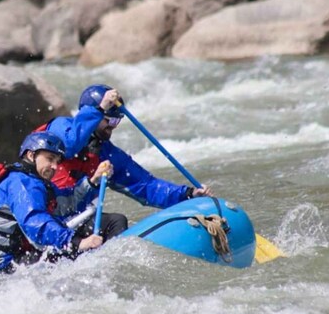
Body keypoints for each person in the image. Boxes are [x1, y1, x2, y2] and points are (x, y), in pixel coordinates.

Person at [42, 84, 212, 218]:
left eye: (117, 122)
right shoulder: (60, 126)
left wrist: (188, 194)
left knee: (117, 222)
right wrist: (99, 109)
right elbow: (70, 145)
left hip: (72, 216)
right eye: (109, 121)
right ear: (91, 113)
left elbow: (145, 186)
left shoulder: (107, 155)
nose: (112, 128)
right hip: (42, 211)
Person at [0, 131, 110, 275]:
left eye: (57, 161)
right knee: (108, 226)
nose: (55, 166)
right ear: (31, 155)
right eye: (50, 159)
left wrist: (93, 181)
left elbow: (66, 204)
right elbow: (35, 223)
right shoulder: (21, 182)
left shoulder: (34, 181)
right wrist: (76, 242)